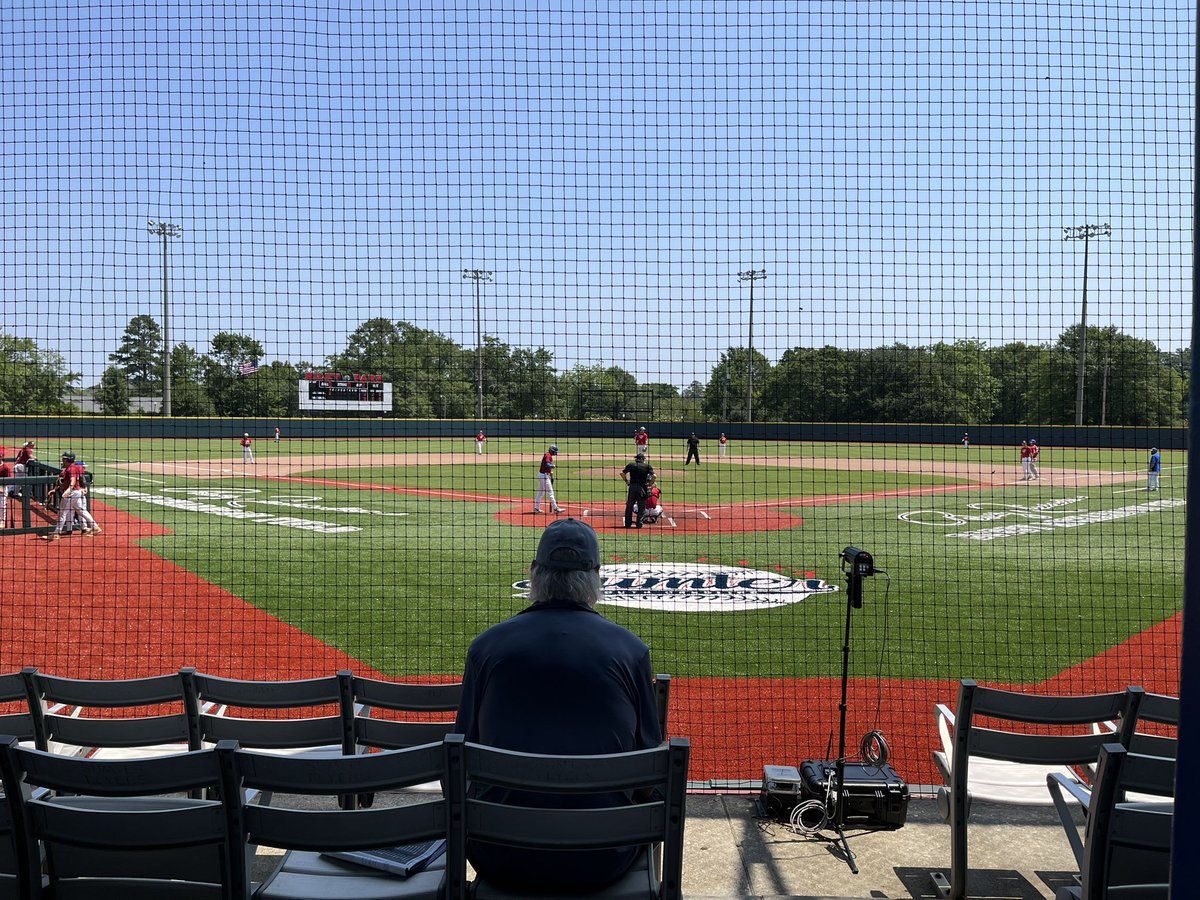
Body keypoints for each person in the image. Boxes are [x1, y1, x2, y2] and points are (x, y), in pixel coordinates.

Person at [454, 518, 661, 894]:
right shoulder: (631, 651)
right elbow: (648, 776)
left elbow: (462, 757)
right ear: (596, 577)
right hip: (603, 858)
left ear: (535, 574)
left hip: (498, 853)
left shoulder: (486, 647)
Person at [42, 451, 79, 541]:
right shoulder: (68, 469)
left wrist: (68, 491)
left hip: (71, 493)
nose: (62, 460)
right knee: (78, 511)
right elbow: (62, 482)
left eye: (64, 459)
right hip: (73, 493)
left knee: (62, 513)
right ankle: (93, 527)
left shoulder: (71, 469)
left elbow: (72, 481)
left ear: (68, 459)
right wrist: (55, 490)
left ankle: (56, 533)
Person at [621, 452, 655, 528]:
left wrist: (627, 481)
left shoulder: (631, 465)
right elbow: (654, 476)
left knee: (629, 506)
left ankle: (628, 523)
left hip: (632, 487)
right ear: (643, 459)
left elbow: (622, 473)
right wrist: (650, 484)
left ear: (636, 459)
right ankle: (639, 524)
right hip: (642, 488)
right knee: (641, 506)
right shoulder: (647, 466)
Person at [533, 445, 564, 514]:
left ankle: (536, 509)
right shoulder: (548, 455)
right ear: (552, 451)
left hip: (542, 475)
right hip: (544, 476)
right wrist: (552, 466)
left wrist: (549, 471)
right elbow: (547, 464)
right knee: (550, 492)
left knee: (540, 493)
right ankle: (556, 509)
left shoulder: (547, 454)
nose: (556, 453)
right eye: (555, 452)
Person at [0, 459, 14, 528]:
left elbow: (9, 481)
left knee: (2, 507)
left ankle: (2, 521)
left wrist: (4, 488)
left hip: (2, 490)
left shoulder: (5, 468)